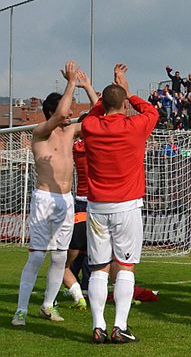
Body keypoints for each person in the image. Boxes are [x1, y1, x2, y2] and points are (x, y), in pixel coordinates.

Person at [12, 61, 94, 326]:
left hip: (66, 200)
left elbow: (98, 116)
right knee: (37, 256)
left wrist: (87, 86)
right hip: (44, 200)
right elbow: (59, 116)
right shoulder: (40, 132)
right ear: (51, 110)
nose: (70, 112)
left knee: (60, 256)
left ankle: (48, 305)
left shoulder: (70, 131)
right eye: (66, 106)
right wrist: (70, 82)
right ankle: (21, 310)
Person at [82, 63, 158, 343]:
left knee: (99, 268)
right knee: (125, 267)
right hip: (126, 205)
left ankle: (98, 326)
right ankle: (120, 326)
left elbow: (94, 112)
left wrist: (110, 95)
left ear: (103, 105)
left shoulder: (90, 126)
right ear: (124, 104)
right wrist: (126, 87)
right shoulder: (135, 125)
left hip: (97, 206)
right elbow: (151, 111)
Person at [63, 71, 99, 310]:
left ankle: (77, 285)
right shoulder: (96, 142)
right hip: (91, 200)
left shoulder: (75, 144)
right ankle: (80, 285)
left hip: (82, 200)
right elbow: (102, 112)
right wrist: (87, 87)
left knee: (78, 248)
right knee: (87, 248)